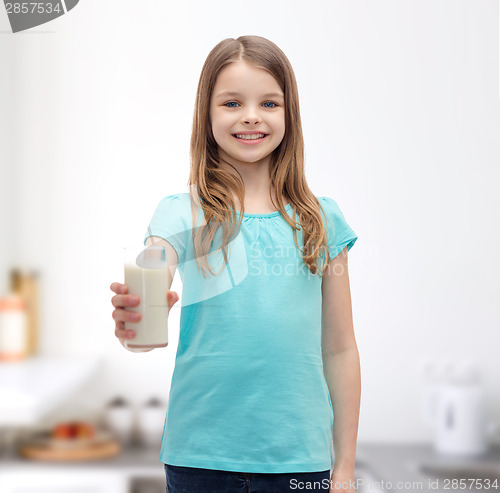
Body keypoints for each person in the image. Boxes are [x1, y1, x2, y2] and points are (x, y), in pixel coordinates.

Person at [110, 35, 361, 493]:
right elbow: (150, 296)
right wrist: (138, 321)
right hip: (198, 460)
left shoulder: (322, 220)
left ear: (290, 114)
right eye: (231, 102)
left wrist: (344, 469)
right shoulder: (180, 213)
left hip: (299, 462)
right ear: (207, 115)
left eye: (268, 102)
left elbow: (340, 348)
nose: (250, 115)